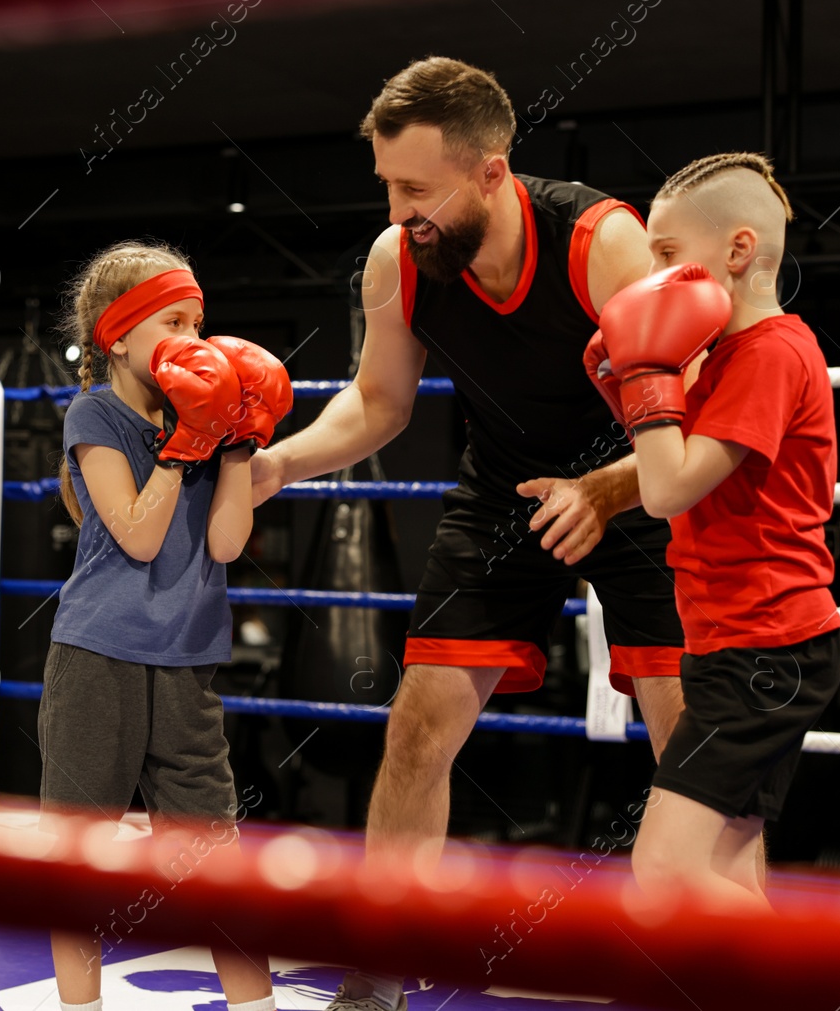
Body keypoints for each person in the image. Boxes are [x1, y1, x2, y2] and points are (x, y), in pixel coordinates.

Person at [246, 56, 712, 1011]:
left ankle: (712, 963)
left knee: (691, 739)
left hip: (639, 483)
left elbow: (701, 404)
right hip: (505, 488)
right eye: (386, 184)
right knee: (417, 724)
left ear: (493, 170)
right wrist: (279, 464)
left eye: (416, 189)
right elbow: (378, 404)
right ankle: (381, 962)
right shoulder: (398, 261)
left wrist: (611, 489)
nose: (396, 210)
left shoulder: (599, 242)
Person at [585, 153, 840, 912]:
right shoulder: (727, 356)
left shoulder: (768, 353)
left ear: (736, 251)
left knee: (663, 871)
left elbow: (663, 490)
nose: (650, 273)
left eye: (666, 253)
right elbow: (678, 464)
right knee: (725, 874)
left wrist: (642, 373)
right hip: (733, 641)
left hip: (766, 648)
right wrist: (628, 385)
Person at [42, 240, 292, 1011]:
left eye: (199, 320)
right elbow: (140, 535)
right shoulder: (96, 413)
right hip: (98, 659)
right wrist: (188, 443)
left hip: (188, 662)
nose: (194, 337)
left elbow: (225, 543)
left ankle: (256, 1007)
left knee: (215, 858)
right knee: (81, 855)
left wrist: (239, 440)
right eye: (172, 320)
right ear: (119, 336)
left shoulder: (208, 414)